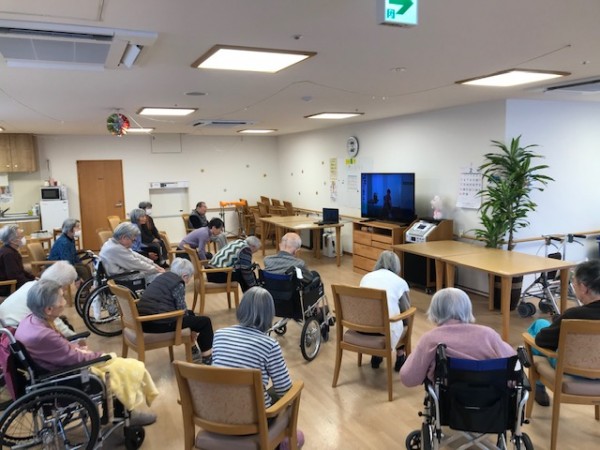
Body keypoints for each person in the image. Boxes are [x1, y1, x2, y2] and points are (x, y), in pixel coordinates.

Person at [14, 279, 158, 426]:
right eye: (61, 298)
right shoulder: (43, 335)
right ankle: (125, 414)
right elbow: (73, 358)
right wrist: (98, 356)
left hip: (49, 372)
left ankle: (117, 411)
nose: (64, 301)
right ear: (49, 309)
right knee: (126, 367)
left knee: (115, 364)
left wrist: (77, 348)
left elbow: (61, 352)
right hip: (66, 377)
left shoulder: (29, 321)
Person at [212, 286, 305, 448]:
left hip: (217, 414)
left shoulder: (219, 335)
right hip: (254, 422)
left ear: (241, 308)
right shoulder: (269, 345)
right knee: (290, 397)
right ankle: (281, 440)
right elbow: (285, 390)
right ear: (269, 314)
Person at [400, 287, 515, 387]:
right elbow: (513, 362)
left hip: (449, 401)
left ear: (435, 311)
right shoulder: (488, 334)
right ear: (468, 309)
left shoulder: (430, 339)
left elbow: (408, 379)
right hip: (492, 400)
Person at [527, 259, 600, 407]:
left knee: (539, 326)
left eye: (574, 283)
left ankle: (537, 385)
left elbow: (541, 341)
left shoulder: (573, 315)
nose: (573, 287)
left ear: (583, 288)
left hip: (571, 370)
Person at [137, 258, 214, 365]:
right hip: (158, 323)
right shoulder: (178, 284)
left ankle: (192, 349)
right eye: (190, 277)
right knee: (205, 322)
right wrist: (193, 329)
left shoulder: (162, 276)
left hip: (145, 320)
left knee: (191, 315)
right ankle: (207, 357)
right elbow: (182, 311)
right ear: (185, 276)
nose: (188, 281)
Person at [359, 250, 411, 371]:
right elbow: (405, 311)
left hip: (362, 327)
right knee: (402, 319)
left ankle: (376, 355)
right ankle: (400, 355)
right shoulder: (400, 282)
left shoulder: (366, 278)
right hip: (385, 330)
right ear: (397, 266)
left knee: (375, 313)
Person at [0, 261, 78, 337]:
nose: (64, 291)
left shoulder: (31, 284)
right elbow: (57, 325)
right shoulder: (46, 294)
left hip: (5, 325)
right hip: (12, 332)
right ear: (61, 284)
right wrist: (77, 338)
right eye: (66, 286)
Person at [99, 222, 164, 284]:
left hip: (124, 273)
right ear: (124, 237)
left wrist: (153, 265)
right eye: (133, 241)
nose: (132, 244)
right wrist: (155, 269)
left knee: (153, 272)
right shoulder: (115, 249)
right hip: (122, 278)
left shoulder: (111, 243)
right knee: (159, 276)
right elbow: (136, 263)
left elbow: (136, 256)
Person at [0, 225, 35, 297]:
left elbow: (20, 271)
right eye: (21, 236)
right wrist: (31, 283)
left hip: (14, 283)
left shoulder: (10, 251)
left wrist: (33, 278)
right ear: (12, 240)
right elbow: (15, 276)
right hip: (7, 287)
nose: (23, 238)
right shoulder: (8, 254)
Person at [138, 201, 169, 265]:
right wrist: (152, 239)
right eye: (148, 208)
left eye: (150, 208)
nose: (150, 210)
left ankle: (163, 260)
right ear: (142, 208)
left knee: (161, 242)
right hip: (144, 239)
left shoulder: (150, 218)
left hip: (151, 237)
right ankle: (158, 261)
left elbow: (154, 230)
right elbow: (142, 233)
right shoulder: (140, 219)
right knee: (156, 245)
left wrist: (158, 238)